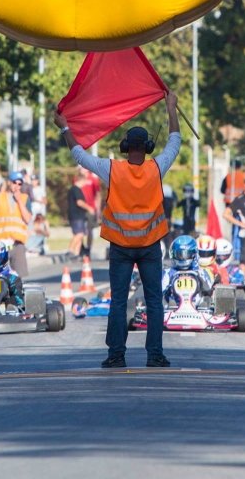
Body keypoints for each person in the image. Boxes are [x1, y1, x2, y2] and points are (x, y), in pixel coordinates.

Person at [55, 91, 180, 369]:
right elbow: (175, 141)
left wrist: (65, 126)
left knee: (119, 301)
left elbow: (79, 155)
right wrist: (171, 108)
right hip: (149, 247)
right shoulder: (157, 168)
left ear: (125, 147)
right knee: (154, 301)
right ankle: (155, 355)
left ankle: (116, 355)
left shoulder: (111, 169)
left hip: (121, 248)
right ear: (147, 147)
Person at [0, 171, 33, 279]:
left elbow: (27, 219)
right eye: (14, 182)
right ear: (9, 183)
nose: (16, 186)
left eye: (19, 183)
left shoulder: (25, 198)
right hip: (0, 245)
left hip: (17, 244)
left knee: (18, 278)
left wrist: (19, 201)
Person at [67, 170, 93, 258]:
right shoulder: (75, 189)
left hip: (79, 215)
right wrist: (89, 208)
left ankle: (76, 253)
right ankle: (70, 251)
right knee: (79, 234)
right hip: (76, 215)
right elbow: (79, 202)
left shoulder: (75, 189)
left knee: (80, 234)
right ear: (82, 180)